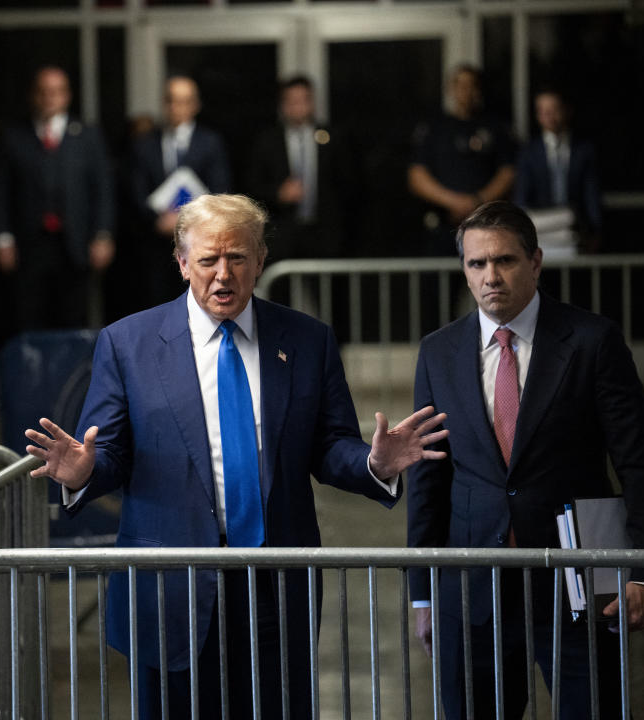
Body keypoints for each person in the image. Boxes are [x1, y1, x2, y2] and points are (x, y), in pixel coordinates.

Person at [25, 194, 448, 719]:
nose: (223, 275)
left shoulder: (307, 340)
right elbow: (109, 452)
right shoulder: (128, 344)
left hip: (275, 583)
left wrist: (373, 466)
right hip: (171, 585)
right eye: (207, 260)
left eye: (238, 259)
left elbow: (329, 447)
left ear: (261, 261)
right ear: (182, 263)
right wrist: (85, 472)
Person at [406, 201, 644, 719]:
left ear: (535, 261)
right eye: (476, 264)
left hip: (575, 586)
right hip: (472, 590)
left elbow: (640, 461)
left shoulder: (593, 341)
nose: (491, 277)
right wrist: (423, 593)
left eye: (505, 261)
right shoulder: (438, 352)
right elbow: (428, 476)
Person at [0, 66, 115, 331]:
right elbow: (0, 192)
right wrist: (2, 237)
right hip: (29, 246)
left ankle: (71, 374)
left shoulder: (87, 136)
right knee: (28, 319)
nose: (49, 98)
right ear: (34, 96)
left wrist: (102, 234)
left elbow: (102, 189)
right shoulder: (13, 137)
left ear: (67, 96)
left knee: (74, 319)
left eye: (56, 92)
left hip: (75, 245)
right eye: (43, 92)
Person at [129, 76, 232, 310]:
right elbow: (136, 192)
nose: (177, 108)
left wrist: (184, 221)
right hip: (156, 247)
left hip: (200, 246)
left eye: (184, 101)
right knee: (157, 309)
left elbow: (219, 190)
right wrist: (157, 220)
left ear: (195, 105)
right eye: (171, 101)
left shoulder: (211, 142)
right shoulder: (144, 144)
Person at [408, 65, 517, 256]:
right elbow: (417, 177)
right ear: (451, 89)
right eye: (461, 85)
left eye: (472, 85)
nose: (466, 91)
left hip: (487, 227)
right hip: (443, 227)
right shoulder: (434, 128)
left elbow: (508, 172)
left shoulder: (496, 127)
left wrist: (477, 202)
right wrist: (455, 202)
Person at [249, 75, 345, 262]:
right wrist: (278, 194)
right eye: (292, 101)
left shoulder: (330, 137)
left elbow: (346, 183)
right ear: (282, 105)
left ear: (312, 102)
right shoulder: (267, 140)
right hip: (281, 232)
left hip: (324, 233)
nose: (298, 106)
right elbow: (253, 186)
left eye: (303, 100)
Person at [514, 88, 603, 250]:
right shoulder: (529, 152)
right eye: (543, 111)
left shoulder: (583, 149)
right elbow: (521, 195)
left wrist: (595, 229)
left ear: (567, 111)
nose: (549, 116)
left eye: (554, 109)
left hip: (574, 229)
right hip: (540, 228)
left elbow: (591, 193)